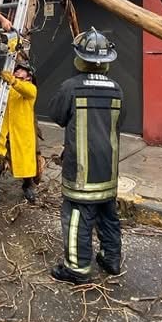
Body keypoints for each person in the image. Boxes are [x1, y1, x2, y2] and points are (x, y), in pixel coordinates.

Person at [48, 27, 125, 285]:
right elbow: (119, 122)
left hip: (81, 171)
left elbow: (57, 115)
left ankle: (77, 269)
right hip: (108, 169)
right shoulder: (117, 89)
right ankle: (111, 259)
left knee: (77, 219)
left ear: (80, 59)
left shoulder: (71, 87)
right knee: (108, 214)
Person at [0, 59, 38, 210]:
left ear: (29, 76)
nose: (17, 71)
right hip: (4, 135)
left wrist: (13, 80)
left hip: (21, 135)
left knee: (27, 167)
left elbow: (24, 89)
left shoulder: (30, 88)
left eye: (21, 70)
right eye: (16, 69)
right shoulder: (7, 87)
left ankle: (27, 187)